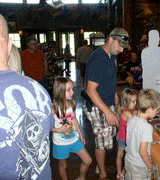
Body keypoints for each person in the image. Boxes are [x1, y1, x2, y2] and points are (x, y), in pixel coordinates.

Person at [0, 14, 54, 179]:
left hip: (36, 83)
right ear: (9, 46)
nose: (35, 45)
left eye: (36, 43)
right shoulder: (23, 54)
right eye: (33, 43)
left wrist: (44, 75)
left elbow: (45, 64)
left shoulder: (40, 54)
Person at [83, 27, 131, 180]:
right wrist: (108, 112)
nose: (122, 50)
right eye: (120, 45)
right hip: (97, 105)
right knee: (102, 141)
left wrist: (114, 93)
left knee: (108, 138)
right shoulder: (99, 59)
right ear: (111, 39)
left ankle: (99, 165)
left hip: (107, 101)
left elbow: (109, 78)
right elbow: (90, 90)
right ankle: (102, 173)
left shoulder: (112, 55)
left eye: (124, 46)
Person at [125, 89, 160, 180]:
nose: (157, 112)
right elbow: (143, 152)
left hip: (128, 160)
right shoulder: (147, 127)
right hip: (139, 166)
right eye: (157, 110)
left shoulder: (131, 119)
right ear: (149, 110)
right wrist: (149, 165)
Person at [51, 77, 92, 180]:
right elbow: (47, 127)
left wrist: (81, 135)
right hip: (60, 143)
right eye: (69, 90)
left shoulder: (72, 103)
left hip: (74, 139)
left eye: (72, 89)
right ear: (60, 91)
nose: (72, 92)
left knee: (88, 160)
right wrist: (60, 130)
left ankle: (81, 178)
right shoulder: (53, 108)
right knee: (63, 165)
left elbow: (74, 120)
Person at [115, 88, 138, 179]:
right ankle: (123, 174)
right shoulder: (128, 113)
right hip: (126, 140)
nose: (135, 104)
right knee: (129, 159)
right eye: (133, 101)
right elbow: (136, 123)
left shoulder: (120, 109)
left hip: (120, 137)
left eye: (136, 101)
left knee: (119, 156)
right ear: (125, 102)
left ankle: (118, 173)